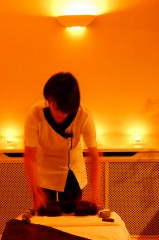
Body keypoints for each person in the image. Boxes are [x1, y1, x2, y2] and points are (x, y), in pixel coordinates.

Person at [24, 72, 101, 213]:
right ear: (49, 100)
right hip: (45, 170)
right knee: (46, 222)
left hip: (73, 169)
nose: (59, 115)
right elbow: (29, 157)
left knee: (74, 219)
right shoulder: (34, 115)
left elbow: (95, 156)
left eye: (65, 111)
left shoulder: (84, 115)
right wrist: (36, 191)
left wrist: (95, 191)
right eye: (55, 108)